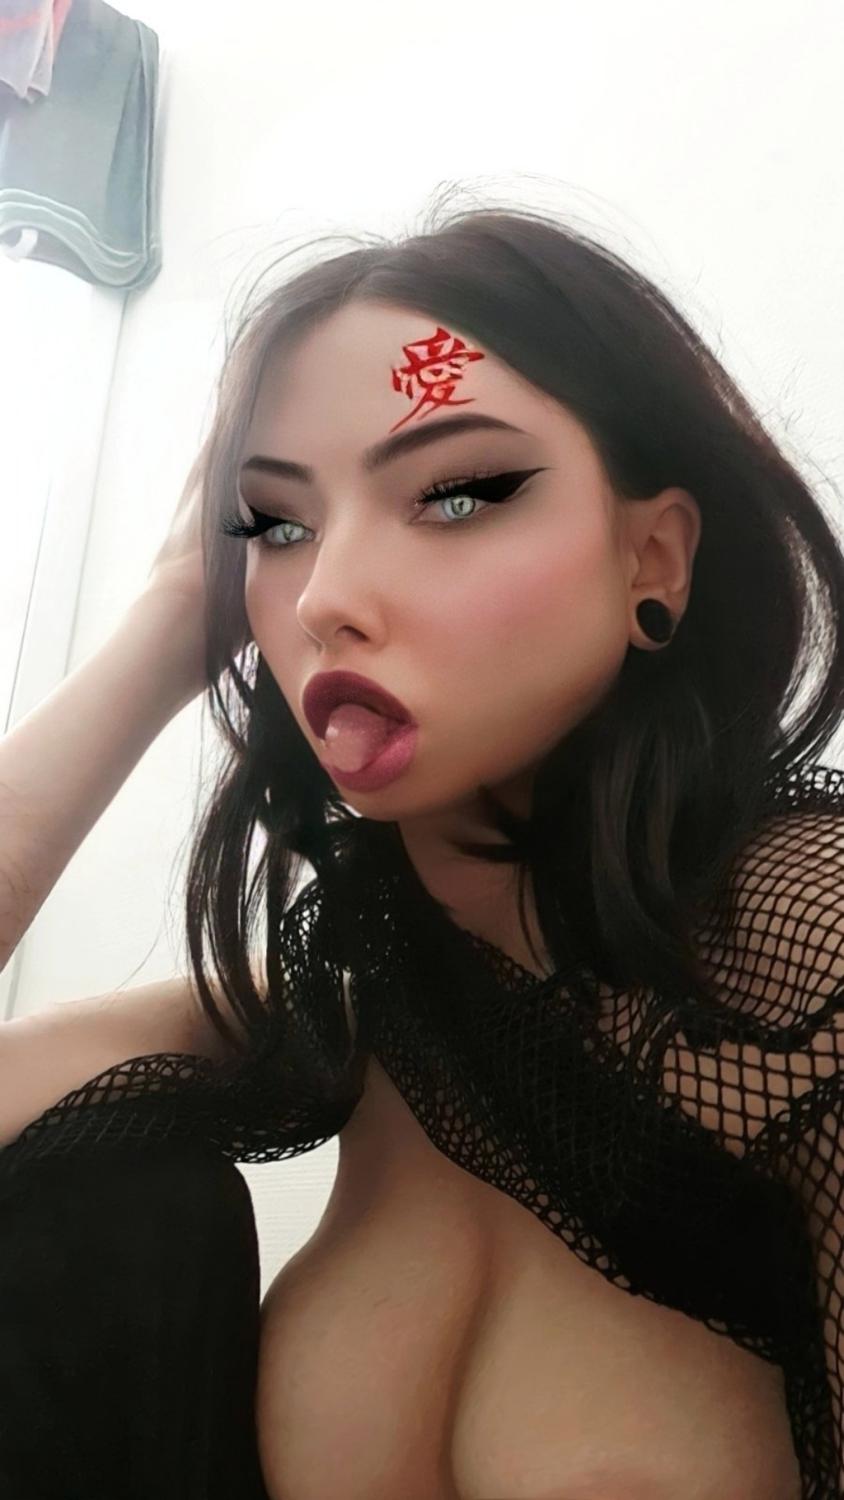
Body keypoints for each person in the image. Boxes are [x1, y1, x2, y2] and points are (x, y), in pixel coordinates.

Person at [1, 200, 843, 1500]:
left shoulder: (809, 957)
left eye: (455, 494)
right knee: (93, 1208)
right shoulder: (364, 1007)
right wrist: (171, 617)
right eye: (277, 526)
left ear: (653, 557)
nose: (327, 597)